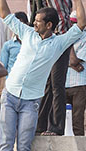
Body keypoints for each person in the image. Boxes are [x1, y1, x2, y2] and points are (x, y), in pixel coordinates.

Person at [0, 0, 86, 151]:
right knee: (6, 141)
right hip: (10, 95)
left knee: (24, 144)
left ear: (49, 25)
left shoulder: (59, 43)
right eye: (34, 20)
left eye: (38, 21)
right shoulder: (27, 33)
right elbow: (4, 13)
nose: (34, 23)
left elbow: (81, 24)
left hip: (31, 101)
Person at [33, 0, 74, 137]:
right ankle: (41, 125)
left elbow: (62, 18)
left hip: (58, 42)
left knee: (56, 86)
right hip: (50, 41)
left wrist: (57, 41)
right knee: (48, 85)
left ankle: (56, 127)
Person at [65, 15, 86, 136]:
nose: (71, 27)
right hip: (64, 83)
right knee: (63, 118)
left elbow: (73, 61)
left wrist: (69, 43)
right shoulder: (63, 38)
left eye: (74, 24)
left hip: (79, 85)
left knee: (77, 119)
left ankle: (78, 149)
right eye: (70, 24)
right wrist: (74, 65)